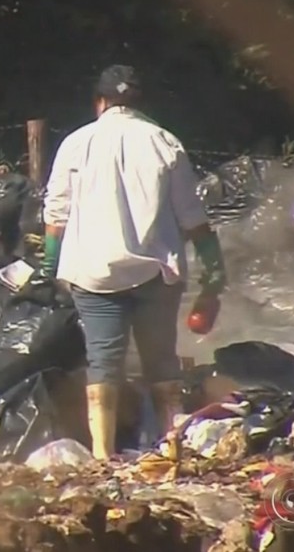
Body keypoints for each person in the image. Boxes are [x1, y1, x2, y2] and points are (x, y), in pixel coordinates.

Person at [41, 65, 227, 459]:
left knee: (103, 361)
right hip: (155, 273)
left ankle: (103, 455)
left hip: (94, 274)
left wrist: (50, 265)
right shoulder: (164, 142)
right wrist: (214, 269)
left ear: (100, 102)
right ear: (140, 102)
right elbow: (193, 217)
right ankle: (172, 447)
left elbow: (56, 216)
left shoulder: (77, 143)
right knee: (161, 361)